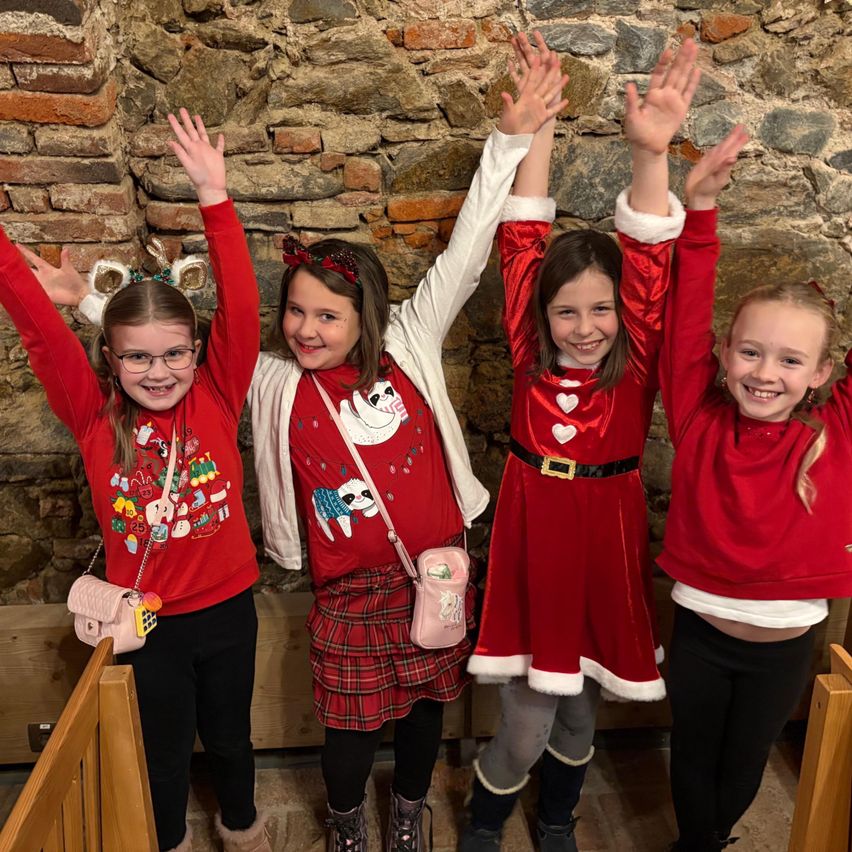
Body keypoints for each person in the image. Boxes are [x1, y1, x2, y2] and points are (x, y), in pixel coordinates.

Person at [238, 49, 569, 852]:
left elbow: (466, 251)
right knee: (350, 728)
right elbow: (183, 356)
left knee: (426, 710)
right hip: (349, 591)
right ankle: (349, 818)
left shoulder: (411, 345)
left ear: (366, 320)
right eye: (296, 313)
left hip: (435, 571)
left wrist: (511, 141)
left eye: (327, 317)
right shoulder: (271, 381)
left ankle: (409, 810)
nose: (306, 330)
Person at [462, 36, 700, 851]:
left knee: (584, 699)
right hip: (538, 531)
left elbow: (648, 260)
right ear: (543, 316)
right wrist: (539, 127)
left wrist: (650, 156)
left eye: (601, 311)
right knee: (528, 716)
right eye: (569, 311)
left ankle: (559, 816)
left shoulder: (633, 364)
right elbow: (524, 237)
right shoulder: (530, 354)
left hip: (609, 529)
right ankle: (487, 816)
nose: (587, 327)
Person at [12, 109, 270, 852]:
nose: (157, 372)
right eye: (137, 358)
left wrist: (214, 198)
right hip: (146, 623)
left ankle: (243, 829)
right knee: (159, 756)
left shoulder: (220, 393)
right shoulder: (95, 419)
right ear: (111, 360)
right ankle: (170, 842)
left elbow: (244, 309)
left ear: (196, 351)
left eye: (173, 354)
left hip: (228, 614)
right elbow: (36, 327)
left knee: (230, 742)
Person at [660, 124, 851, 852]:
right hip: (702, 636)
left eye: (790, 360)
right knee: (692, 754)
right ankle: (698, 844)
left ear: (822, 373)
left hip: (784, 647)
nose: (765, 373)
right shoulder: (698, 418)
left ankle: (702, 843)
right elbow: (683, 317)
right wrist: (700, 210)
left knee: (744, 766)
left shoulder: (835, 428)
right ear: (724, 354)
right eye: (750, 351)